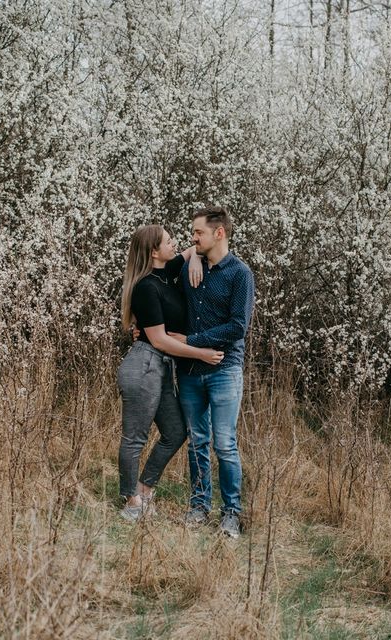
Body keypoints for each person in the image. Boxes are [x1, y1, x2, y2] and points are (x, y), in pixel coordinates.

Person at [117, 225, 224, 521]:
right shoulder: (146, 287)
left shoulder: (167, 273)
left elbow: (194, 250)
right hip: (144, 365)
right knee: (135, 437)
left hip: (162, 368)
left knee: (177, 431)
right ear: (154, 251)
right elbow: (160, 339)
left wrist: (191, 260)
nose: (175, 242)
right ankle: (132, 502)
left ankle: (144, 488)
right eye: (168, 240)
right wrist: (201, 353)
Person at [169, 206, 255, 538]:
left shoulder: (240, 274)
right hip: (190, 371)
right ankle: (199, 506)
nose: (193, 237)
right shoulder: (193, 267)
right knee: (197, 442)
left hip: (224, 369)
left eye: (198, 233)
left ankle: (231, 513)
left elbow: (238, 326)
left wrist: (193, 340)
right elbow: (159, 271)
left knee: (225, 443)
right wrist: (192, 255)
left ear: (219, 233)